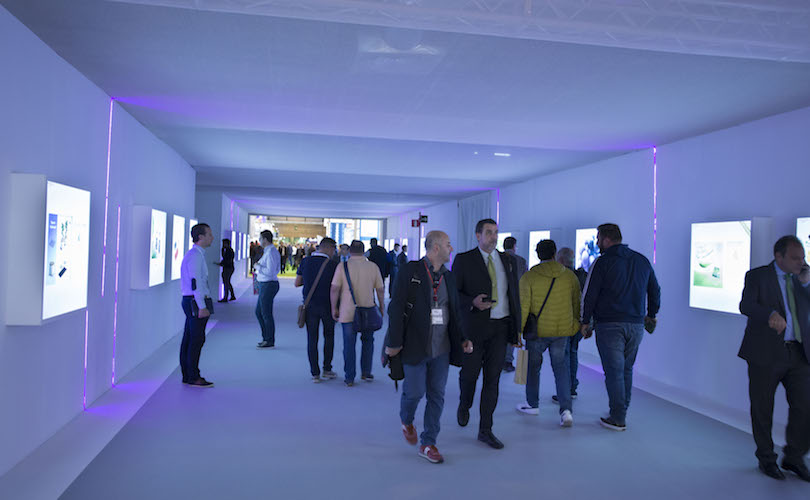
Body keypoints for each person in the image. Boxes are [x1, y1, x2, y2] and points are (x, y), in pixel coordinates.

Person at [386, 231, 473, 464]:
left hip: (442, 348)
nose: (451, 249)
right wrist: (394, 343)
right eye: (448, 245)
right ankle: (406, 420)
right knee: (414, 392)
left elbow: (454, 312)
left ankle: (428, 442)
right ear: (436, 248)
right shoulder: (411, 271)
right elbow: (396, 308)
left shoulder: (449, 277)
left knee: (437, 395)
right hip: (415, 345)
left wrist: (463, 338)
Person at [739, 235, 810, 481]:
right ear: (778, 256)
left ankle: (794, 457)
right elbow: (746, 305)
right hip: (766, 353)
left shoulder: (803, 277)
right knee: (763, 408)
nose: (801, 262)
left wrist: (806, 285)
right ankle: (766, 459)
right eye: (795, 258)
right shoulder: (758, 276)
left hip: (799, 352)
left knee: (805, 406)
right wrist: (769, 313)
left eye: (803, 257)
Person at [580, 223, 660, 431]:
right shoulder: (641, 260)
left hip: (609, 325)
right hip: (636, 325)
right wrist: (651, 315)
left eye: (598, 238)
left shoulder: (602, 262)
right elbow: (655, 290)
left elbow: (590, 294)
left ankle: (618, 417)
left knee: (614, 372)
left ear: (607, 239)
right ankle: (621, 411)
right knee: (626, 369)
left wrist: (585, 321)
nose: (597, 242)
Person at [452, 218, 521, 449]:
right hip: (474, 328)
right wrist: (471, 302)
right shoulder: (464, 260)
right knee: (469, 375)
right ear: (478, 235)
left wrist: (517, 329)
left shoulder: (507, 260)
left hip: (500, 328)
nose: (494, 237)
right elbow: (453, 293)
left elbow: (514, 295)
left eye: (496, 232)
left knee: (493, 380)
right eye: (489, 232)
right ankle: (464, 404)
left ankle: (486, 429)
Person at [516, 240, 580, 427]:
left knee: (533, 368)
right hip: (561, 330)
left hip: (537, 331)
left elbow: (523, 306)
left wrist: (518, 331)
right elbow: (576, 304)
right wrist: (575, 324)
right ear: (554, 253)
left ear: (538, 254)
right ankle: (566, 410)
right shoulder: (569, 276)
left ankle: (532, 404)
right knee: (561, 369)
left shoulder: (529, 277)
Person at [330, 240, 384, 386]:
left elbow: (334, 289)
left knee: (349, 344)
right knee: (368, 342)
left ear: (350, 251)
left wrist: (334, 307)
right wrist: (381, 307)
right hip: (368, 310)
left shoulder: (342, 266)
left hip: (347, 311)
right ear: (364, 251)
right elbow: (380, 289)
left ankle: (349, 377)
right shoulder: (373, 267)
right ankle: (366, 372)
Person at [295, 238, 339, 383]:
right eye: (334, 249)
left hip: (310, 306)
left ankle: (315, 373)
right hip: (328, 306)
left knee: (312, 339)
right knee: (329, 337)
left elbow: (297, 283)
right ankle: (327, 369)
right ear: (329, 248)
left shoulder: (305, 261)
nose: (334, 252)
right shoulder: (333, 265)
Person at [179, 223, 215, 387]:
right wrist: (201, 306)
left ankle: (189, 375)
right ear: (201, 237)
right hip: (195, 301)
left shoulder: (196, 254)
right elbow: (196, 283)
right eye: (209, 234)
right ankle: (193, 376)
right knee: (195, 340)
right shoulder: (195, 256)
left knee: (191, 338)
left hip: (192, 300)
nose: (212, 237)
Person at [552, 247, 588, 404]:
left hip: (564, 322)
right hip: (579, 322)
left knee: (564, 356)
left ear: (560, 260)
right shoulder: (582, 276)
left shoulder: (561, 277)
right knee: (573, 352)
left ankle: (565, 391)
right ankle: (572, 388)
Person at [503, 236, 528, 372]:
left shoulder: (496, 259)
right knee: (513, 330)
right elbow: (525, 281)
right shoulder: (521, 261)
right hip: (516, 301)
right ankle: (508, 361)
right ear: (514, 246)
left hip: (500, 300)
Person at [254, 230, 281, 349]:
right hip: (265, 284)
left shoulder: (271, 252)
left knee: (265, 313)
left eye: (260, 238)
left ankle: (269, 339)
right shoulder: (268, 251)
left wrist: (258, 267)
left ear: (265, 239)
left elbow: (270, 271)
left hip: (268, 284)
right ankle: (266, 337)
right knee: (259, 312)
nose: (259, 241)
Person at [215, 238, 236, 303]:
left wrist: (221, 264)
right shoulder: (227, 250)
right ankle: (231, 296)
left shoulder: (229, 251)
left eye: (224, 243)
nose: (223, 244)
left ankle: (226, 297)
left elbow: (227, 260)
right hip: (228, 267)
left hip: (228, 268)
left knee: (226, 282)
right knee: (227, 282)